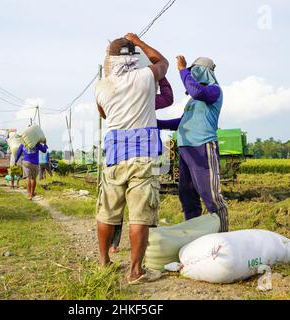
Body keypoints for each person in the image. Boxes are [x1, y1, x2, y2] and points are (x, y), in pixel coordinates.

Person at [95, 33, 169, 284]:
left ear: (111, 60)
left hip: (115, 154)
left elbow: (104, 113)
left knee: (108, 212)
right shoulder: (146, 76)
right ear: (134, 58)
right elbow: (163, 62)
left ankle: (104, 262)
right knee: (140, 215)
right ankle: (135, 272)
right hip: (143, 155)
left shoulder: (102, 86)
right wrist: (139, 41)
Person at [157, 56, 229, 232]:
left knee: (210, 195)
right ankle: (194, 233)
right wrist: (157, 123)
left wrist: (182, 70)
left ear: (204, 72)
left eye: (194, 70)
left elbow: (197, 91)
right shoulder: (192, 101)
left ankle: (223, 235)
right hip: (186, 151)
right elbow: (183, 122)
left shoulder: (213, 91)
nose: (191, 74)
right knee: (187, 195)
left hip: (203, 148)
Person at [109, 75, 174, 254]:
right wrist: (161, 76)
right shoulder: (145, 100)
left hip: (117, 152)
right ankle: (146, 248)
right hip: (143, 154)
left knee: (117, 204)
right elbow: (168, 98)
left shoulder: (114, 97)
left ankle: (113, 245)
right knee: (144, 204)